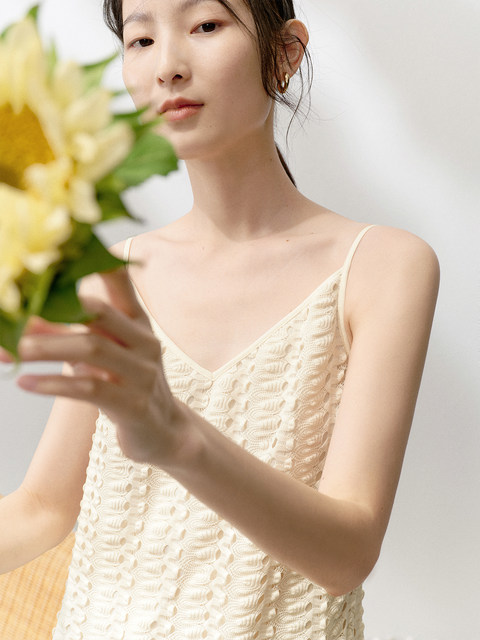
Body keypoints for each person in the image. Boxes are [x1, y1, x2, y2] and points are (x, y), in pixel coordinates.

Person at [0, 0, 440, 637]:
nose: (168, 66)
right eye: (141, 39)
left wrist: (176, 437)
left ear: (284, 53)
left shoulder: (382, 266)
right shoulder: (111, 276)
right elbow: (42, 508)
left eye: (205, 25)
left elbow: (346, 556)